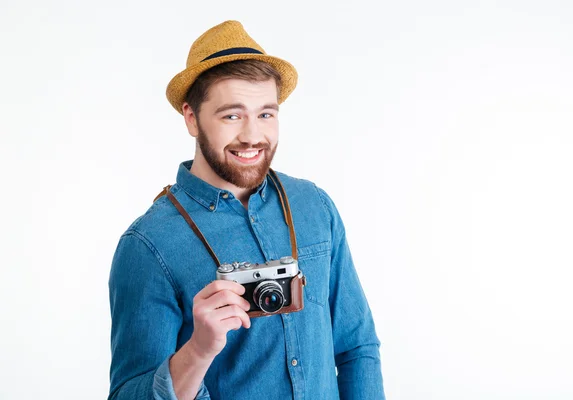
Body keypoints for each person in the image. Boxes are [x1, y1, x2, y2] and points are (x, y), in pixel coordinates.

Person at [108, 20, 385, 400]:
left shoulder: (313, 206)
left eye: (266, 114)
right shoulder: (148, 245)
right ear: (191, 118)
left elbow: (357, 348)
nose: (253, 135)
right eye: (232, 116)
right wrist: (199, 350)